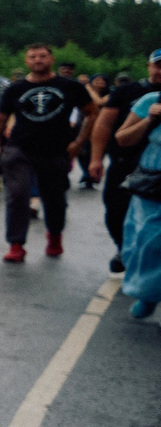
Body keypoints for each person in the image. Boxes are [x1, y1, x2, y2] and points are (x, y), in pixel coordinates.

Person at [0, 41, 94, 264]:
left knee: (54, 198)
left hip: (55, 149)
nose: (38, 60)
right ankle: (16, 244)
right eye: (33, 57)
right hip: (19, 148)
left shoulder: (69, 86)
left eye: (42, 56)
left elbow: (92, 112)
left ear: (51, 59)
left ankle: (54, 235)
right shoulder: (15, 89)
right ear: (26, 61)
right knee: (17, 194)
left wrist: (80, 142)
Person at [88, 53, 161, 271]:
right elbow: (104, 126)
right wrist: (95, 159)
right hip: (126, 161)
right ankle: (124, 246)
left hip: (155, 166)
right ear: (148, 67)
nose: (160, 71)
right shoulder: (128, 92)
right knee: (115, 209)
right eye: (157, 66)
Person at [115, 78, 161, 319]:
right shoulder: (151, 101)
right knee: (146, 242)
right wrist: (150, 119)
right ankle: (148, 293)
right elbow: (123, 138)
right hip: (153, 184)